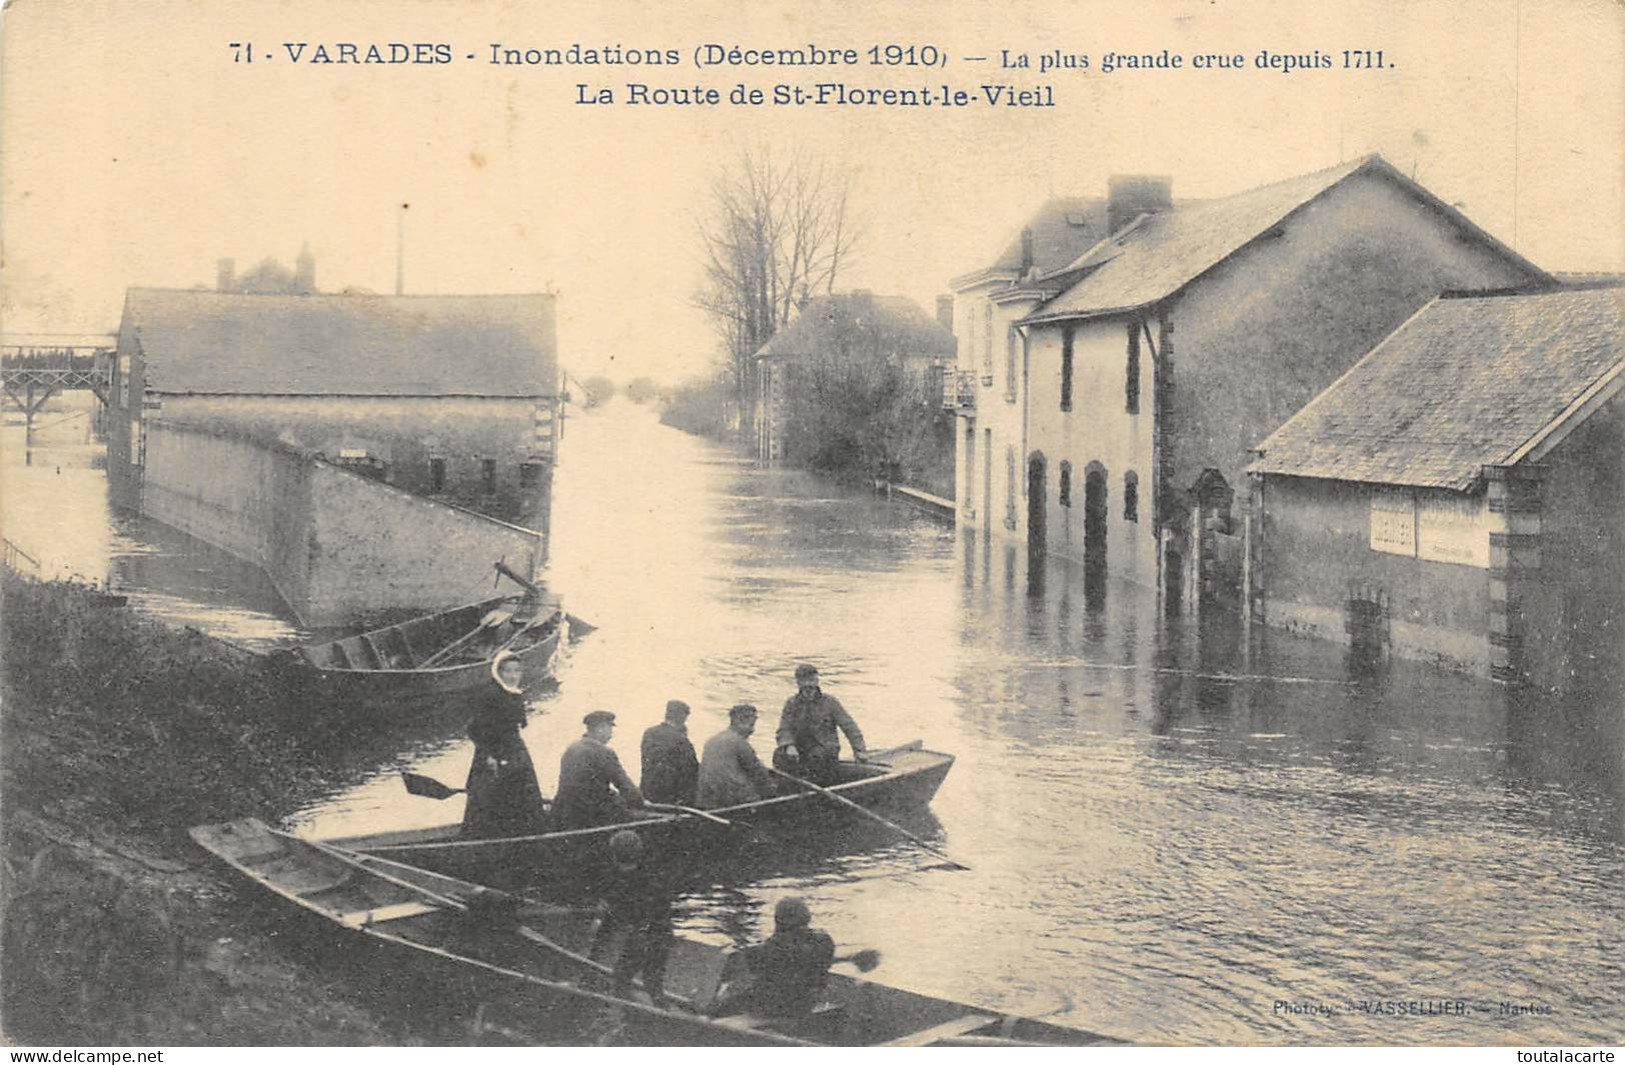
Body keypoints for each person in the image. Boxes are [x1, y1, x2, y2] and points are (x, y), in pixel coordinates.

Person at [460, 651, 548, 838]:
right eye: (508, 671)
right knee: (493, 799)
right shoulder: (491, 694)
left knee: (520, 795)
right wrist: (489, 756)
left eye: (517, 671)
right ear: (498, 673)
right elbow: (474, 729)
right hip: (494, 754)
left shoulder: (512, 693)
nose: (513, 676)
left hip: (514, 751)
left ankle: (520, 834)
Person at [709, 897, 836, 1021]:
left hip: (776, 1005)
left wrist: (743, 952)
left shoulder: (775, 946)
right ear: (807, 917)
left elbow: (755, 966)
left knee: (720, 1007)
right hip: (807, 1002)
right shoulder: (824, 940)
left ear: (778, 920)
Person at [591, 829, 676, 1008]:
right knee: (653, 982)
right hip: (664, 934)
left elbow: (623, 913)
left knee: (621, 977)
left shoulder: (621, 882)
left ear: (614, 856)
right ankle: (663, 1013)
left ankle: (628, 1015)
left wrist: (604, 914)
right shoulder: (652, 875)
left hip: (643, 937)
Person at [773, 664, 866, 786]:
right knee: (779, 755)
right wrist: (789, 745)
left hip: (825, 749)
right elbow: (784, 729)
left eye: (812, 681)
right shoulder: (791, 704)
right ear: (798, 683)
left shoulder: (830, 702)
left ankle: (815, 788)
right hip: (801, 749)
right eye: (804, 681)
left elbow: (849, 727)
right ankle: (788, 787)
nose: (809, 686)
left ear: (817, 681)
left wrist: (859, 750)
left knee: (817, 758)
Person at [554, 711, 645, 831]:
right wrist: (640, 802)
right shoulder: (604, 752)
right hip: (592, 816)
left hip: (566, 812)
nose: (611, 734)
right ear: (600, 728)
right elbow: (625, 785)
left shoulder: (571, 748)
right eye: (609, 728)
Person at [697, 704, 776, 809]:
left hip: (707, 799)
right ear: (737, 721)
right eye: (751, 722)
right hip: (733, 800)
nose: (752, 728)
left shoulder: (712, 740)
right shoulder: (739, 742)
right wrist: (773, 789)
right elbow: (758, 772)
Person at [640, 700, 699, 806]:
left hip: (647, 792)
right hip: (671, 798)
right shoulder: (681, 740)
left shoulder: (649, 733)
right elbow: (692, 771)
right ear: (682, 718)